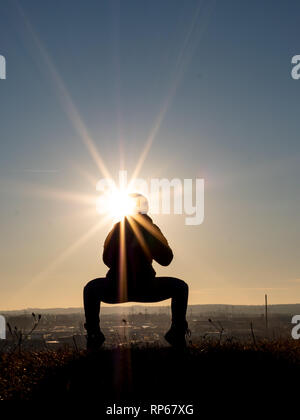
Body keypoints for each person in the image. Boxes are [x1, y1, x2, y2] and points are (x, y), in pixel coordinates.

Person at [83, 193, 189, 350]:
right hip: (145, 286)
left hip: (117, 287)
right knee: (180, 287)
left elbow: (107, 260)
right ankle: (177, 333)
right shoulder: (132, 228)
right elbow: (166, 259)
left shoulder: (119, 227)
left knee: (90, 289)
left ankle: (94, 335)